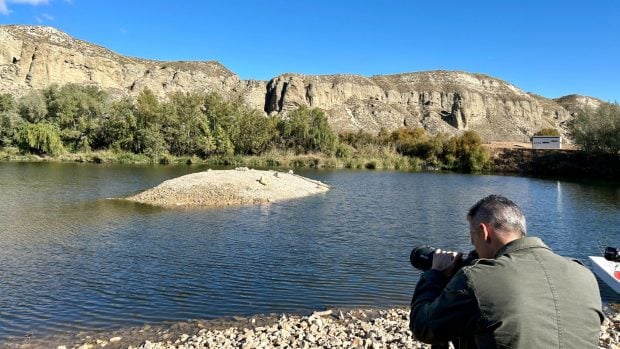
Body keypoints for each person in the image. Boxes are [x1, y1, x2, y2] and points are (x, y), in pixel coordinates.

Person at [409, 194, 604, 349]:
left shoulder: (477, 279)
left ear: (484, 232)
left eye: (472, 237)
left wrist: (434, 274)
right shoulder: (584, 274)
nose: (472, 245)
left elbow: (423, 328)